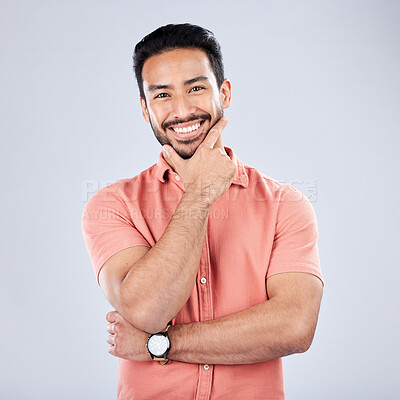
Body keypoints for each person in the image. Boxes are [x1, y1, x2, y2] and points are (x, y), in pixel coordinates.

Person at [81, 23, 324, 400]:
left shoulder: (284, 204)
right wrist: (202, 192)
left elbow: (294, 327)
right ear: (145, 110)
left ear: (223, 92)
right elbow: (145, 310)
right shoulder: (113, 205)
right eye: (162, 95)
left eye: (196, 87)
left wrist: (157, 344)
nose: (181, 110)